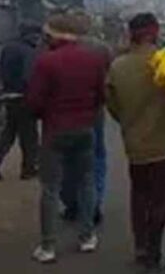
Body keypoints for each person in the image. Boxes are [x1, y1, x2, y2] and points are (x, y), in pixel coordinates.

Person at [27, 14, 107, 263]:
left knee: (50, 188)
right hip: (85, 129)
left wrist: (45, 114)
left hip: (55, 131)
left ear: (54, 35)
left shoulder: (46, 62)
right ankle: (87, 236)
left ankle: (48, 246)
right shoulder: (93, 59)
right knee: (86, 182)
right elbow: (101, 95)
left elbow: (34, 101)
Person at [105, 13, 165, 272]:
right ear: (154, 32)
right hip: (164, 145)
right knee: (160, 201)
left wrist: (129, 122)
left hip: (135, 146)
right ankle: (153, 253)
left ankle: (140, 247)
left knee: (139, 196)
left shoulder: (118, 66)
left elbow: (112, 106)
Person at [61, 12, 112, 226]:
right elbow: (108, 78)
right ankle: (94, 204)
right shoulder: (102, 48)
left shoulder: (58, 49)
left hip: (64, 113)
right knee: (96, 157)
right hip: (94, 111)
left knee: (68, 160)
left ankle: (71, 203)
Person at [0, 22, 42, 180]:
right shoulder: (29, 51)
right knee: (29, 136)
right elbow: (29, 76)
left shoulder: (8, 48)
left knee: (7, 134)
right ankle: (29, 168)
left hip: (8, 96)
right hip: (24, 98)